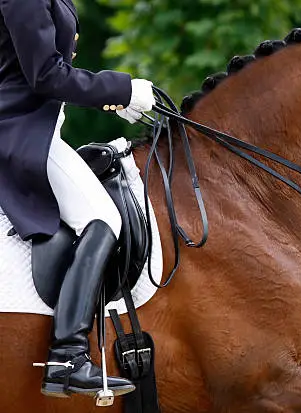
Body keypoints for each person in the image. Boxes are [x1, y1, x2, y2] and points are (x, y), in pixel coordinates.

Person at [0, 0, 155, 398]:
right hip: (17, 129)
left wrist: (115, 99)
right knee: (103, 217)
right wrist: (121, 90)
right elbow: (45, 74)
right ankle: (68, 356)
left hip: (36, 125)